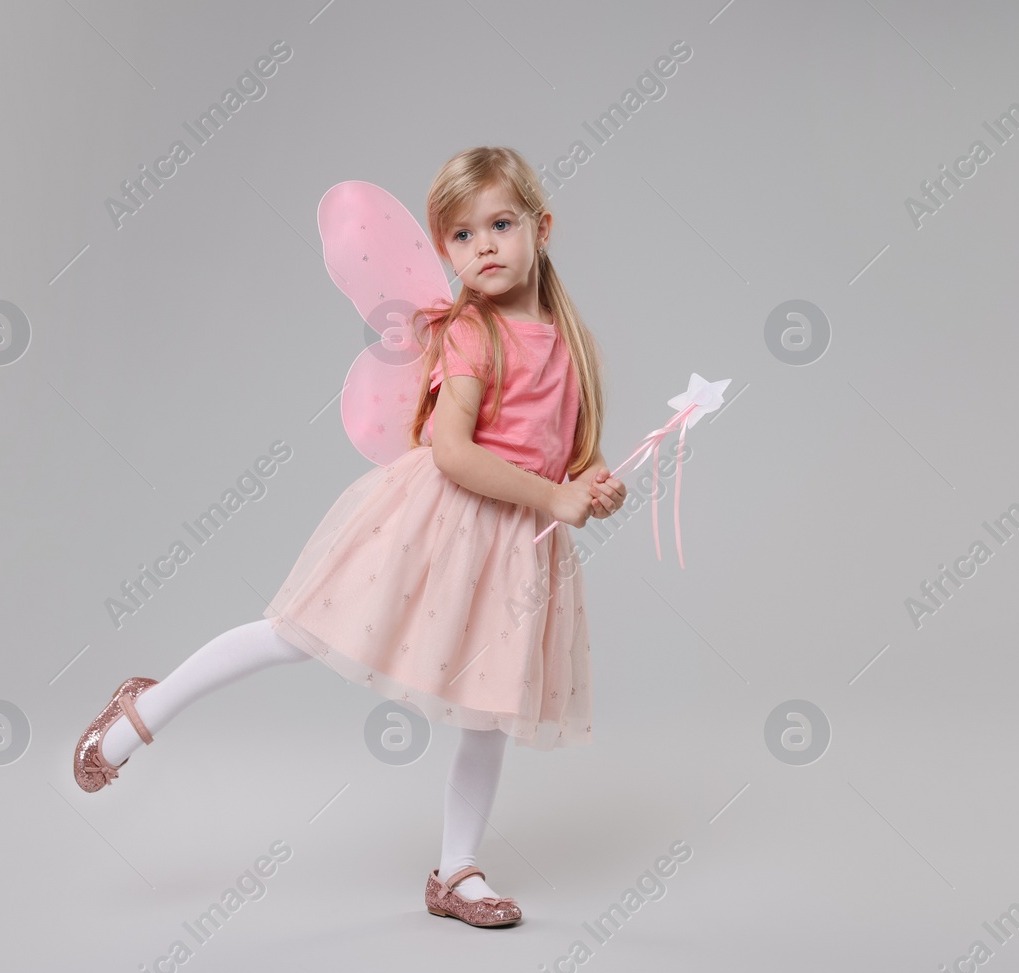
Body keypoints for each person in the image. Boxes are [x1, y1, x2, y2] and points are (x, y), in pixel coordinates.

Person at [72, 146, 626, 928]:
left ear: (542, 226)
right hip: (435, 522)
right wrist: (554, 496)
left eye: (501, 224)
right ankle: (145, 708)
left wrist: (597, 484)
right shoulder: (473, 335)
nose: (485, 247)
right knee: (300, 631)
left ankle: (456, 869)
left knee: (486, 700)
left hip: (512, 549)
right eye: (462, 236)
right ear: (445, 251)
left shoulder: (574, 344)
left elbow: (574, 451)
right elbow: (454, 451)